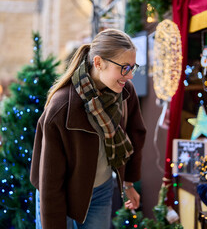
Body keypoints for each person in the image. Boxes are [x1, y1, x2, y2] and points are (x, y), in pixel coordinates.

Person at [30, 29, 147, 229]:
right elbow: (50, 183)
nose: (129, 76)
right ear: (99, 62)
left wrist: (129, 182)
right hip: (60, 193)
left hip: (100, 190)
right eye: (124, 68)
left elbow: (135, 135)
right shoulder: (61, 109)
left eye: (132, 67)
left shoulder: (125, 92)